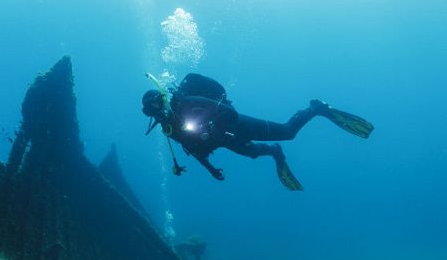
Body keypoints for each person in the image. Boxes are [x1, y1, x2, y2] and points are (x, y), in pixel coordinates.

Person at [141, 73, 373, 190]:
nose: (158, 113)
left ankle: (317, 108)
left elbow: (228, 112)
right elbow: (192, 148)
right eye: (151, 112)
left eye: (158, 105)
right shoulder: (168, 129)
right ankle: (275, 152)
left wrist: (209, 124)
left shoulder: (189, 101)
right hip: (227, 141)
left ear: (163, 99)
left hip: (238, 126)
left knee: (289, 132)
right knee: (254, 153)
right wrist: (211, 168)